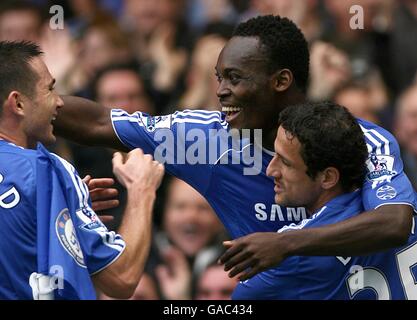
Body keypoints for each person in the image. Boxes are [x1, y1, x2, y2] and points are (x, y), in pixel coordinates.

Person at [55, 15, 415, 292]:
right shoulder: (203, 143)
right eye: (218, 78)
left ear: (281, 81)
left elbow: (395, 222)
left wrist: (285, 243)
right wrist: (27, 101)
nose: (221, 92)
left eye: (235, 78)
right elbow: (100, 122)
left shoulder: (358, 140)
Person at [0, 41, 164, 299]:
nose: (59, 103)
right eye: (50, 90)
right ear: (18, 104)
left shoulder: (46, 186)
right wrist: (141, 188)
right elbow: (121, 278)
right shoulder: (46, 170)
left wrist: (57, 206)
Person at [232, 102, 417, 299]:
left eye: (285, 162)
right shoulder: (393, 193)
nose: (270, 170)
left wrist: (283, 244)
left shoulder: (288, 254)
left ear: (328, 178)